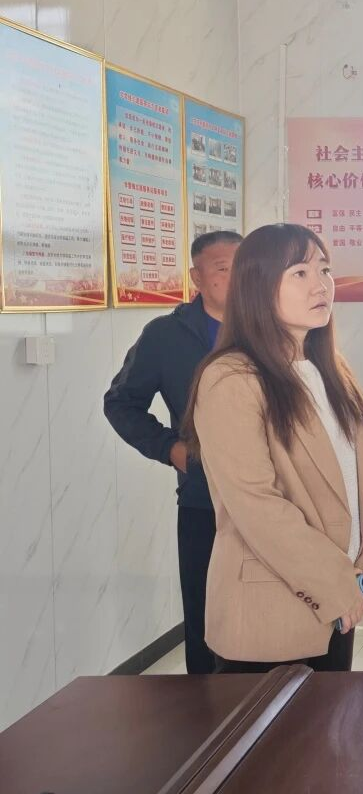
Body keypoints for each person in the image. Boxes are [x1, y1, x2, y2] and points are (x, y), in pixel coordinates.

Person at [183, 223, 363, 672]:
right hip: (271, 613)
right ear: (257, 286)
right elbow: (256, 504)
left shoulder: (329, 370)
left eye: (325, 270)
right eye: (299, 272)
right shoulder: (231, 379)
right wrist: (335, 583)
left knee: (330, 717)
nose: (321, 285)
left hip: (340, 603)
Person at [104, 230, 242, 674]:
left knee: (273, 621)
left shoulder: (275, 326)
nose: (237, 277)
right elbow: (121, 403)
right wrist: (170, 449)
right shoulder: (166, 335)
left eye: (245, 266)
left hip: (281, 498)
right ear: (196, 277)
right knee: (206, 622)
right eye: (223, 268)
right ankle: (208, 711)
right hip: (206, 501)